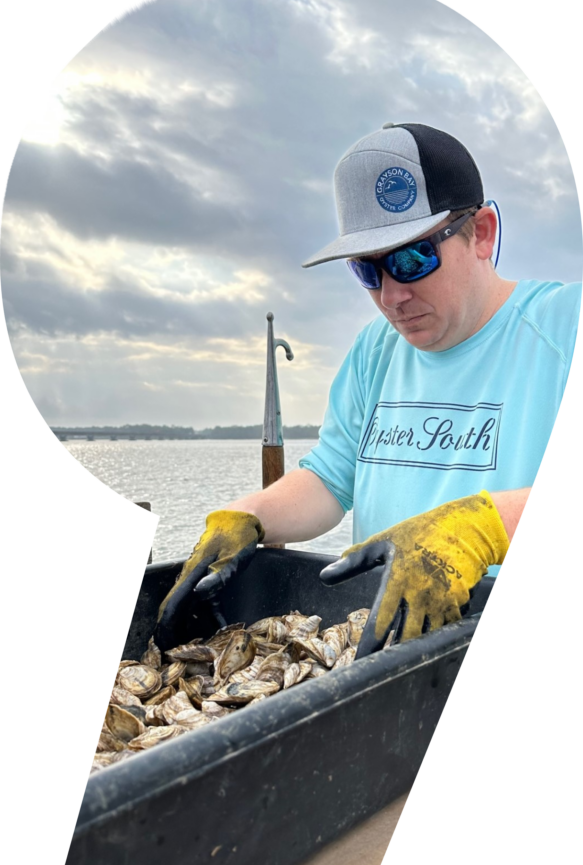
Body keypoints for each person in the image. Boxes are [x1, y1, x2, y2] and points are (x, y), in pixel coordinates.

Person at [155, 122, 581, 656]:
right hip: (383, 661)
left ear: (483, 233)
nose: (392, 296)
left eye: (411, 258)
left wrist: (487, 526)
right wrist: (252, 514)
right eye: (367, 270)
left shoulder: (564, 325)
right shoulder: (376, 349)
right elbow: (331, 478)